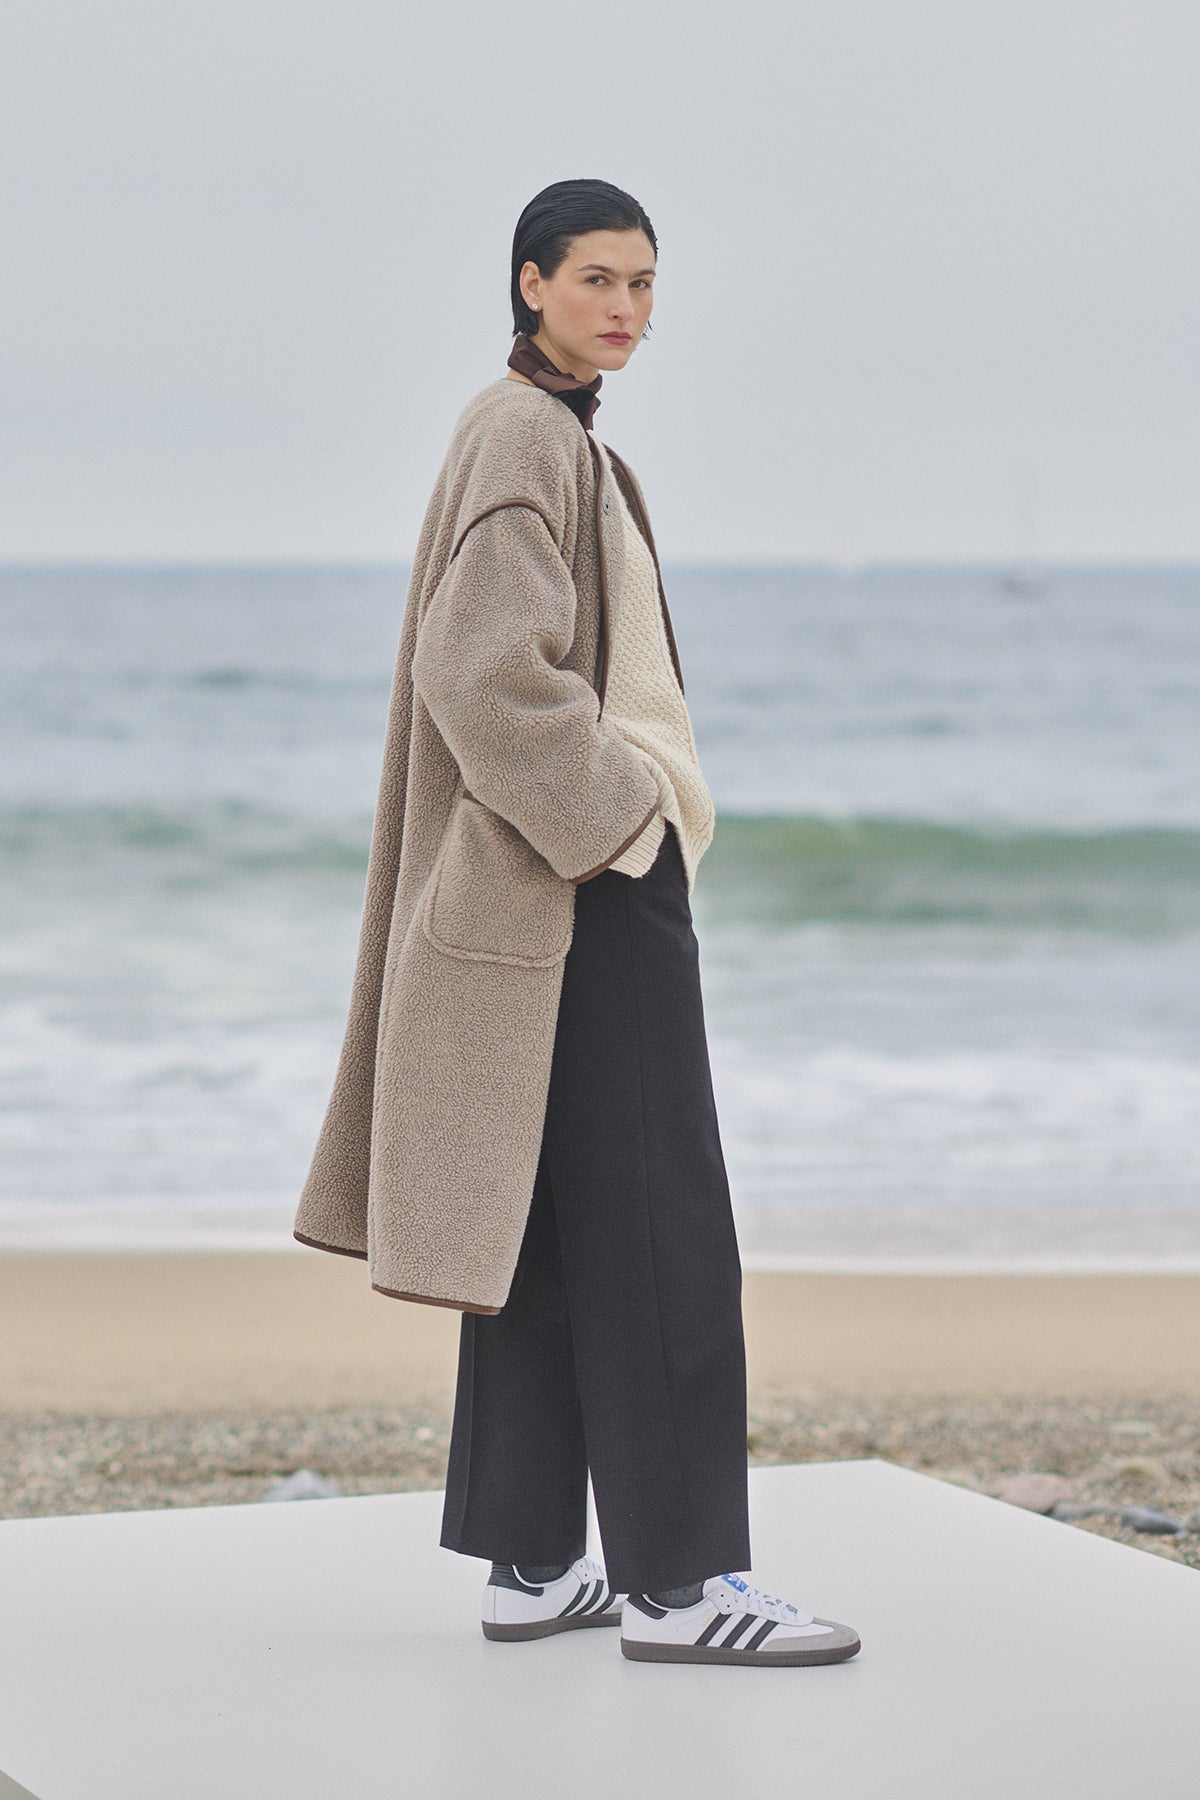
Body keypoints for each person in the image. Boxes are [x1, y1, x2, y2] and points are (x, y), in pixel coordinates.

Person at [295, 177, 861, 1669]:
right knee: (666, 1226)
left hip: (548, 886)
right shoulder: (525, 435)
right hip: (581, 881)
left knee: (543, 1227)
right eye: (599, 279)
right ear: (530, 282)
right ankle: (683, 1587)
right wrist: (625, 827)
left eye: (648, 284)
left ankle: (537, 1562)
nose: (628, 308)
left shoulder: (551, 437)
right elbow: (482, 672)